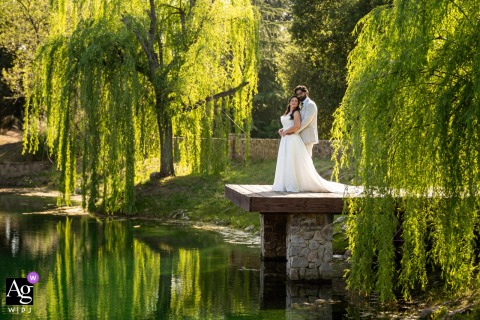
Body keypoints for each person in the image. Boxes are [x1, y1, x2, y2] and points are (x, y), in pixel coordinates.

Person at [272, 95, 359, 194]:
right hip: (285, 139)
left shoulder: (296, 113)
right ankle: (283, 183)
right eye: (292, 100)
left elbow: (297, 126)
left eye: (296, 101)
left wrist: (286, 132)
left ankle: (292, 184)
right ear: (289, 102)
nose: (294, 102)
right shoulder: (287, 112)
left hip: (292, 139)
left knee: (291, 161)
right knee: (285, 160)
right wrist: (282, 130)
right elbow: (287, 125)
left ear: (298, 104)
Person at [279, 85, 318, 157]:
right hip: (299, 136)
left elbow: (306, 121)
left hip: (307, 136)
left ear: (305, 92)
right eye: (297, 94)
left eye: (301, 93)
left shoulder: (310, 104)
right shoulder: (301, 105)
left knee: (307, 159)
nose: (299, 96)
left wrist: (293, 131)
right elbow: (296, 120)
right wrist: (286, 129)